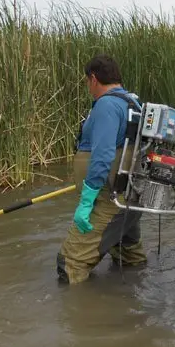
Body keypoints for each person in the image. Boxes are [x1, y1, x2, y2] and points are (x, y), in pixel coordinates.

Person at [56, 54, 148, 284]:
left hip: (111, 199)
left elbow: (103, 156)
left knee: (69, 263)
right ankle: (130, 303)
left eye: (87, 82)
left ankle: (83, 315)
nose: (89, 88)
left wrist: (87, 200)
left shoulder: (106, 105)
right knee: (129, 257)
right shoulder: (134, 103)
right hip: (131, 196)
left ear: (93, 79)